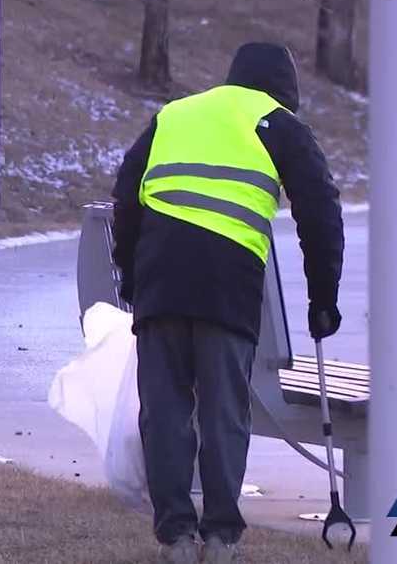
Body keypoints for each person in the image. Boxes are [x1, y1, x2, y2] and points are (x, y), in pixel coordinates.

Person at [111, 43, 344, 564]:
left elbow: (126, 196)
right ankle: (220, 538)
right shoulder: (279, 124)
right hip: (226, 283)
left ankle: (175, 538)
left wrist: (130, 274)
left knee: (165, 411)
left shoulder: (173, 114)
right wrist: (323, 297)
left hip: (161, 279)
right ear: (285, 91)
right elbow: (320, 211)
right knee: (223, 412)